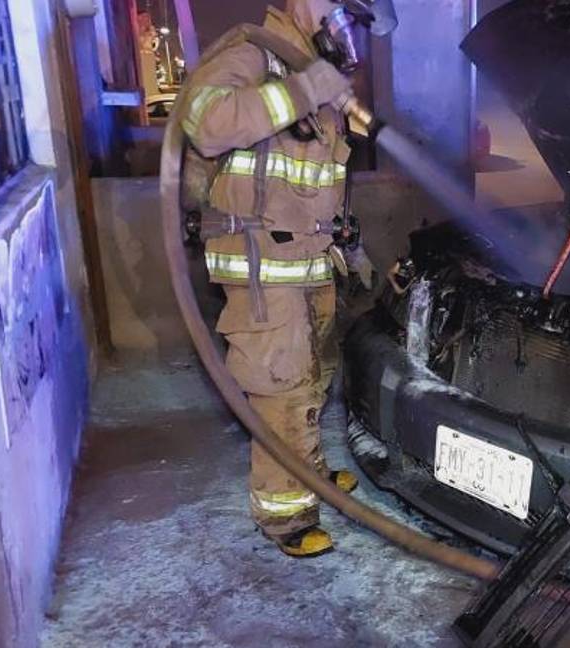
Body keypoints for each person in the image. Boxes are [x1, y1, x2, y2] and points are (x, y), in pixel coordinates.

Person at [178, 0, 390, 557]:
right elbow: (204, 123)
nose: (342, 19)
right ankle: (285, 513)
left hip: (311, 259)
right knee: (279, 382)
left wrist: (355, 247)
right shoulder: (252, 53)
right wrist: (302, 91)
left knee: (314, 374)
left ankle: (310, 471)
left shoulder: (314, 74)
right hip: (261, 264)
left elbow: (324, 182)